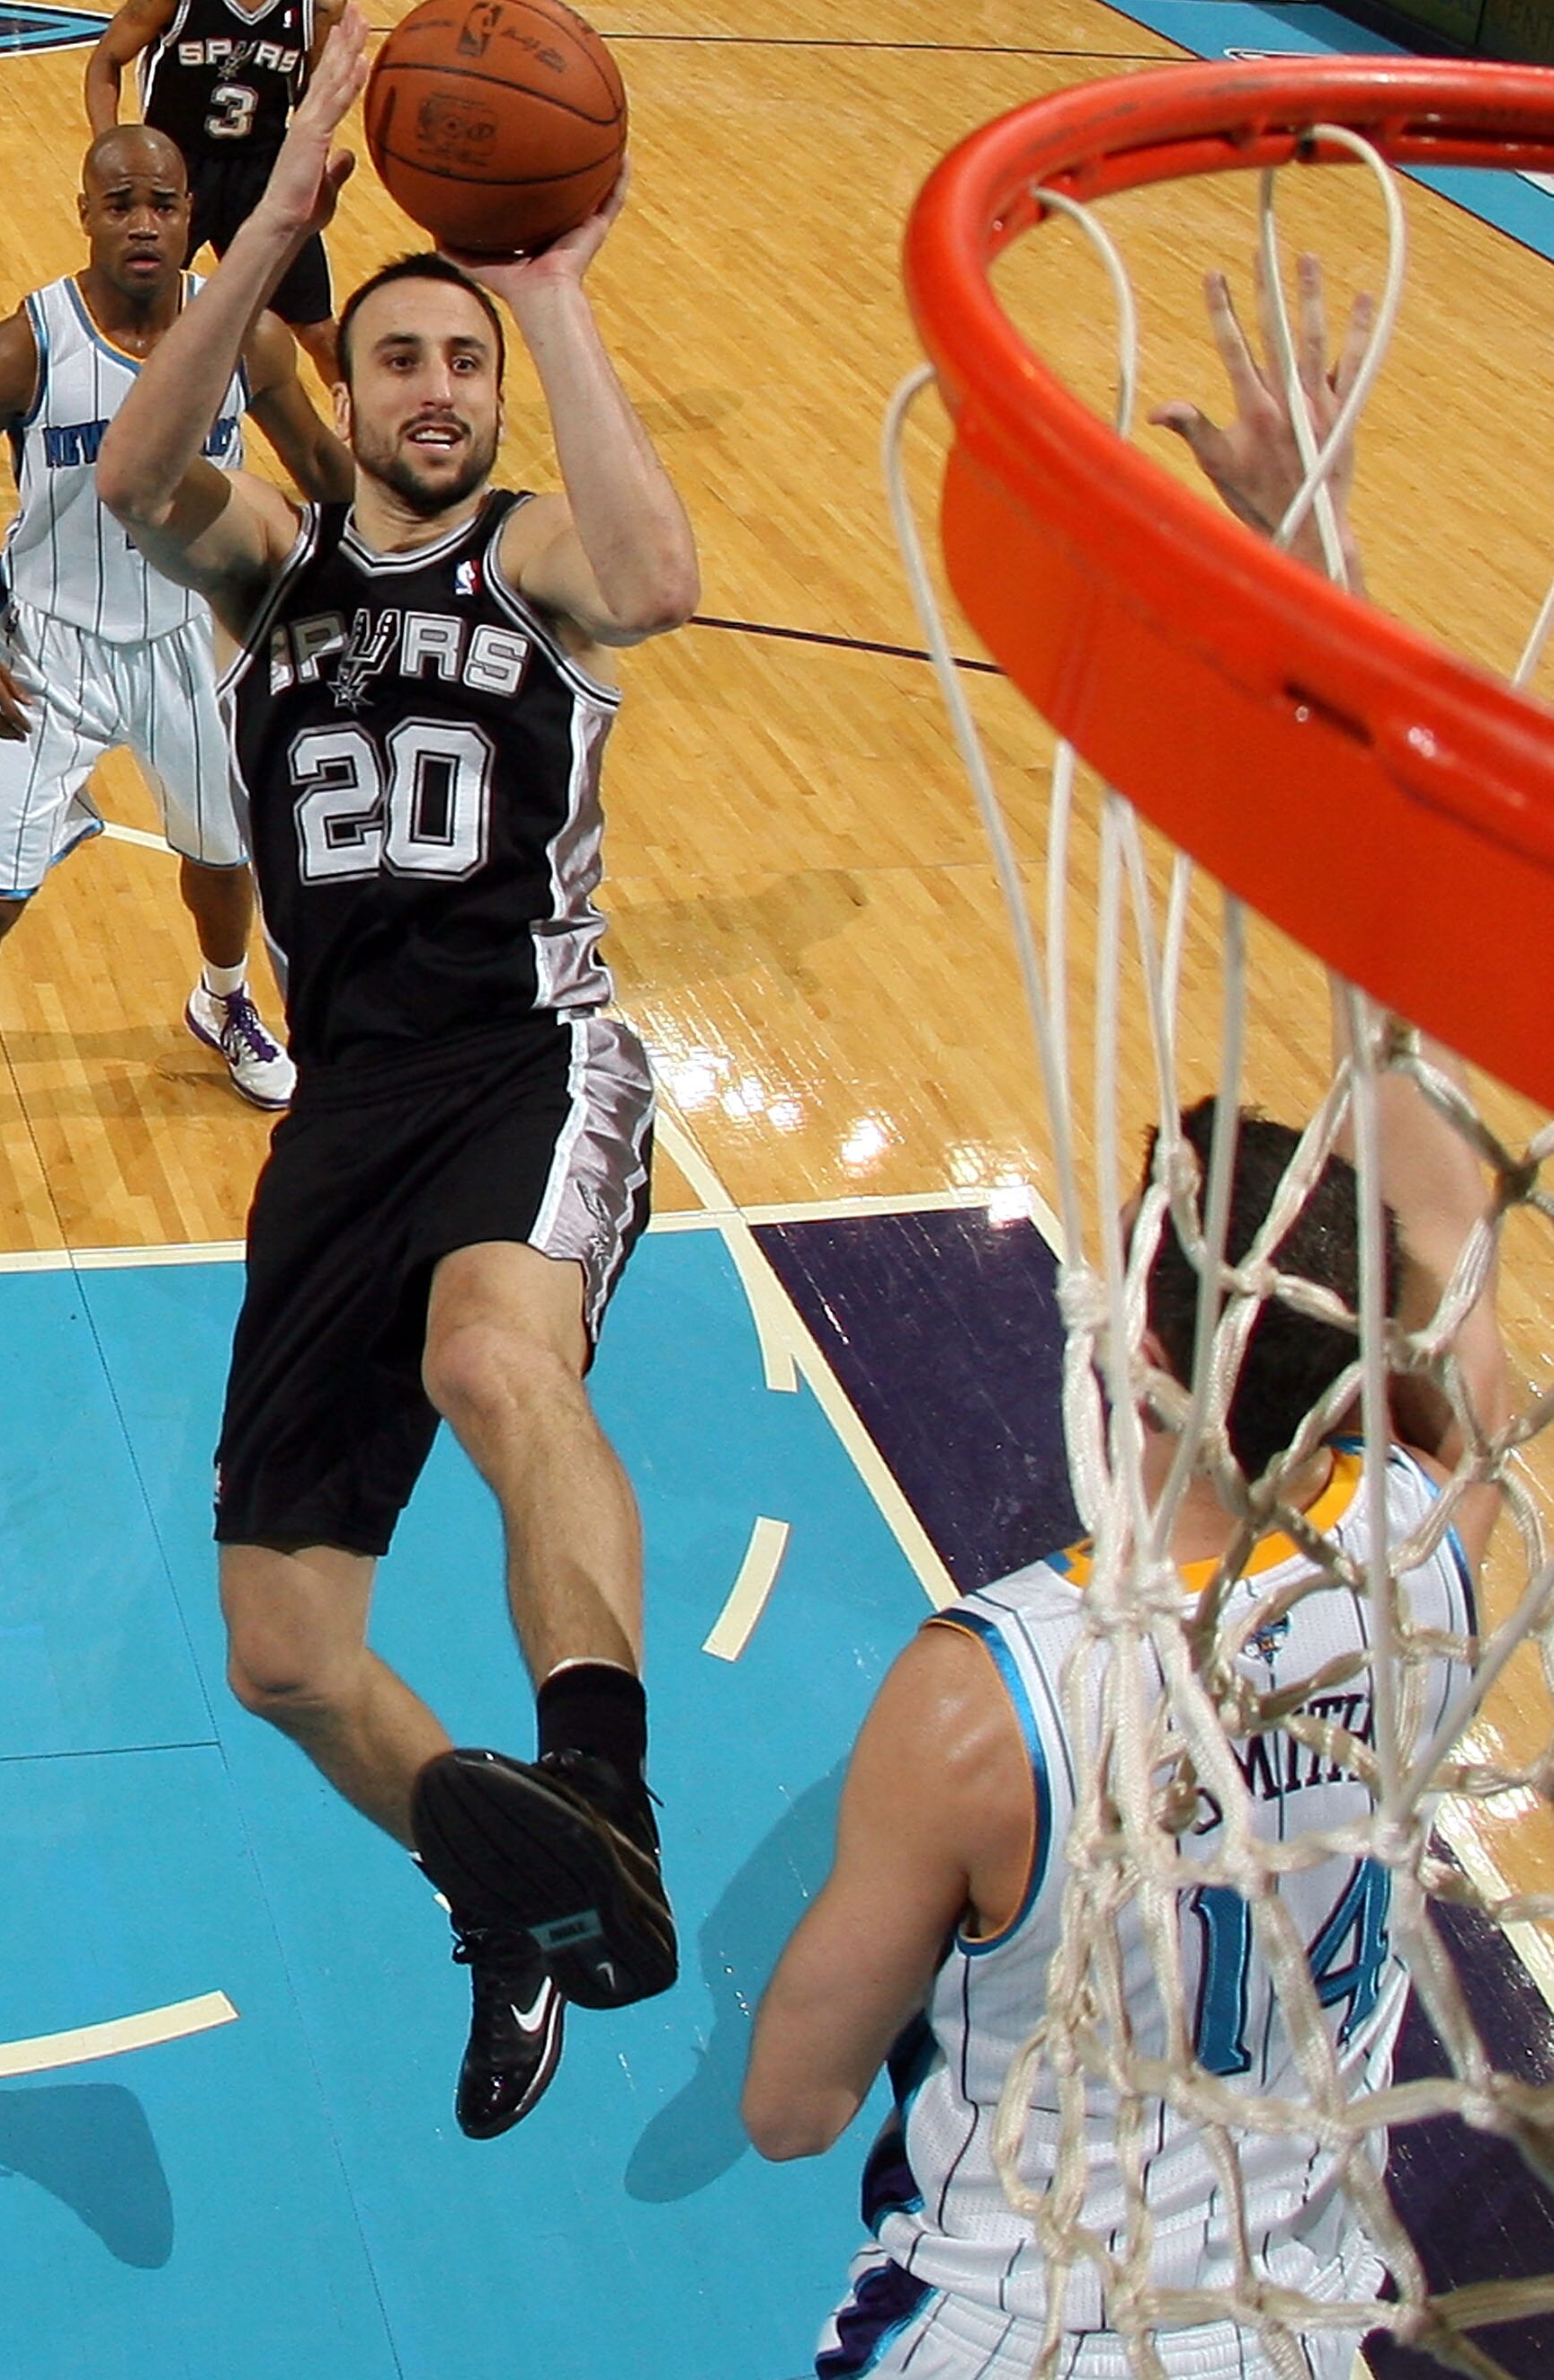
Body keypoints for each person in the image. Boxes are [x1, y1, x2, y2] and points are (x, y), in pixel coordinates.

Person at [742, 263, 1505, 2380]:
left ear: (1133, 1343)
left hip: (1015, 2332)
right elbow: (1406, 1044)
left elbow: (787, 2095)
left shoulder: (983, 1698)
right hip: (1285, 2322)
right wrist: (1309, 558)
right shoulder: (1432, 1538)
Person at [94, 11, 701, 2144]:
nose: (435, 392)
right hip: (337, 1113)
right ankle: (508, 1900)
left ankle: (600, 1786)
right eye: (403, 362)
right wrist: (272, 224)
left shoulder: (530, 557)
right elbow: (132, 478)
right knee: (279, 1650)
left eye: (465, 365)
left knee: (489, 1357)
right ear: (343, 395)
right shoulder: (278, 576)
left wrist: (551, 290)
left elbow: (656, 578)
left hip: (529, 1057)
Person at [0, 126, 350, 1188]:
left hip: (195, 640)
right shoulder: (26, 346)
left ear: (192, 215)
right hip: (46, 657)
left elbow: (331, 481)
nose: (143, 223)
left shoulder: (243, 339)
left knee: (220, 857)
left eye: (162, 202)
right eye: (121, 204)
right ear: (87, 214)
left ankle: (222, 999)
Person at [84, 0, 352, 391]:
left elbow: (318, 95)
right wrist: (110, 151)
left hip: (261, 176)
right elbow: (106, 62)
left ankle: (371, 446)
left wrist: (310, 164)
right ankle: (120, 451)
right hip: (175, 178)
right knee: (137, 322)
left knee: (320, 331)